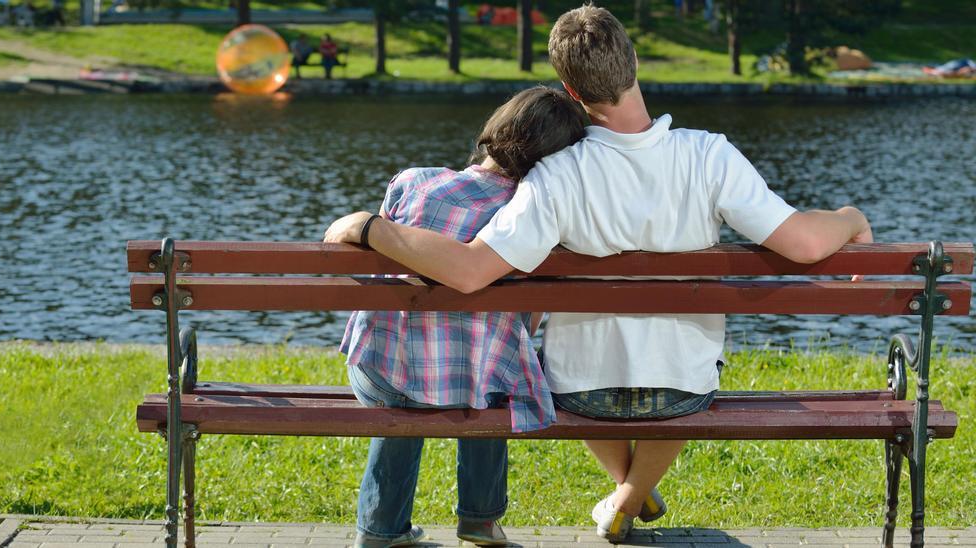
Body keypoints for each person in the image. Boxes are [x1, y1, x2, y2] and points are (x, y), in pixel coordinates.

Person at [325, 4, 873, 543]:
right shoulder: (710, 156)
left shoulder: (556, 173)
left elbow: (469, 271)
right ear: (632, 60)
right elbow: (802, 243)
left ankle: (626, 494)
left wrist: (374, 228)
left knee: (574, 355)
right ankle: (628, 497)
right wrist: (849, 218)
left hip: (581, 394)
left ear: (570, 89)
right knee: (684, 366)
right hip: (682, 392)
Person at [344, 87, 588, 548]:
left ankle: (380, 529)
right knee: (494, 369)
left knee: (405, 374)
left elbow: (381, 270)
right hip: (477, 387)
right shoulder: (529, 216)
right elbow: (527, 323)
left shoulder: (412, 181)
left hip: (380, 374)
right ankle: (480, 519)